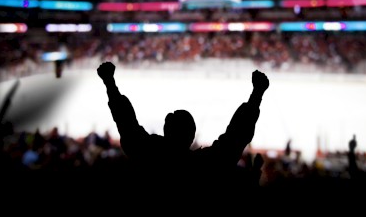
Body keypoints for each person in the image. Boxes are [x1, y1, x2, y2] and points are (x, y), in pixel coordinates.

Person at [97, 61, 270, 202]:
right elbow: (233, 140)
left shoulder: (148, 155)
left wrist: (110, 83)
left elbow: (127, 124)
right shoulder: (202, 167)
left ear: (165, 131)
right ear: (192, 136)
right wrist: (256, 95)